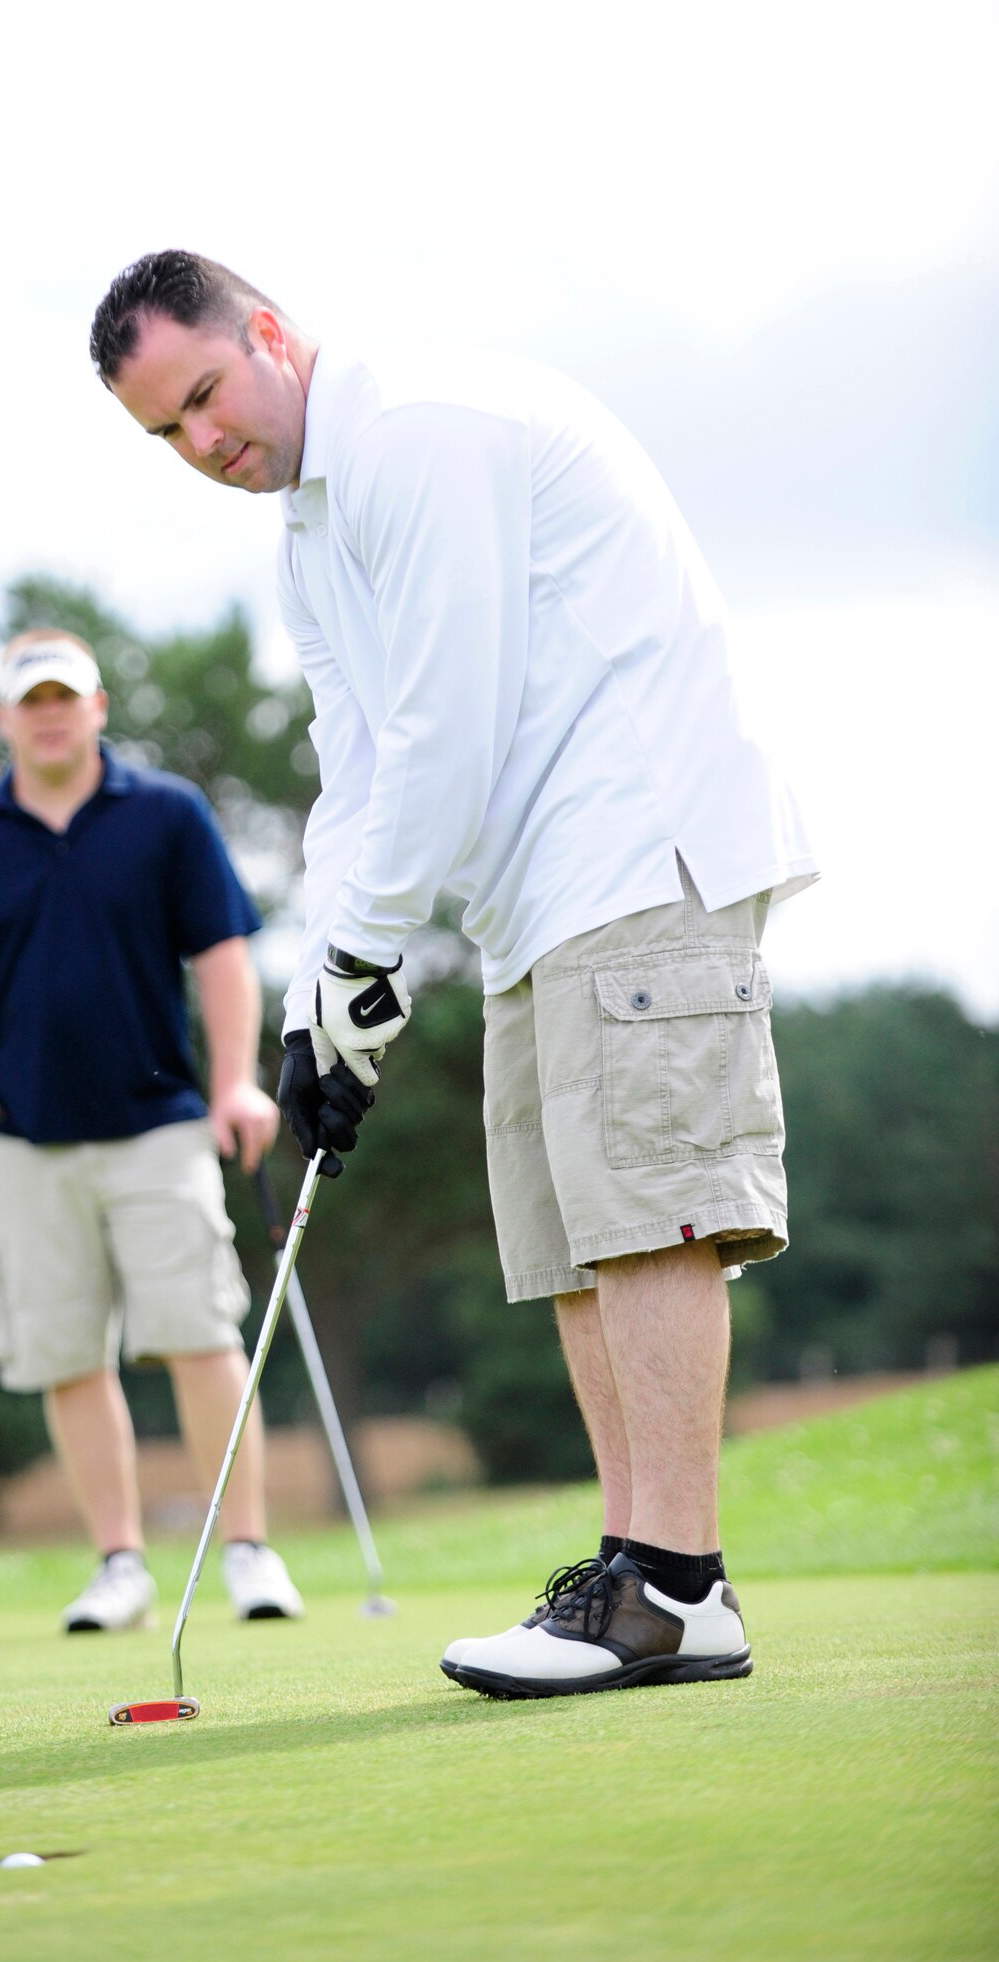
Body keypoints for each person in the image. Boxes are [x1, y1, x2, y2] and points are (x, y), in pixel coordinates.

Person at [89, 252, 819, 1700]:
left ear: (271, 337)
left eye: (206, 396)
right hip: (532, 903)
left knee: (646, 1217)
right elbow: (356, 771)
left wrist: (368, 959)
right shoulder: (310, 537)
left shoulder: (420, 428)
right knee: (569, 1241)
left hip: (635, 845)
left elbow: (446, 724)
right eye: (165, 433)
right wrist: (321, 1004)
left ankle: (674, 1585)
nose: (203, 443)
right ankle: (643, 1574)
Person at [0, 627, 305, 1631]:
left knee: (196, 1332)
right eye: (32, 698)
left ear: (97, 706)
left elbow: (222, 953)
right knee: (65, 1354)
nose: (50, 711)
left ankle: (246, 1549)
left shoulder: (165, 815)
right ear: (6, 717)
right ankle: (119, 1564)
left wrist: (236, 1082)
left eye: (67, 695)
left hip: (157, 1123)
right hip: (18, 1137)